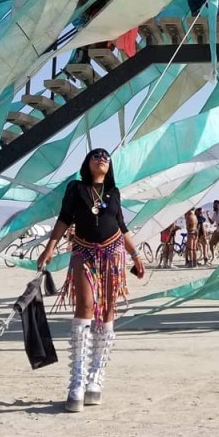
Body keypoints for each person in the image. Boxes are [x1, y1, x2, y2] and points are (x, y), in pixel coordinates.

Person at [37, 148, 145, 413]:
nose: (102, 158)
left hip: (113, 252)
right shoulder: (76, 188)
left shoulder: (114, 193)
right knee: (84, 305)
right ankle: (77, 380)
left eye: (106, 157)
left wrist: (136, 255)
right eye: (96, 155)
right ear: (87, 162)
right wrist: (50, 248)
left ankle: (96, 377)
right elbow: (64, 219)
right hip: (83, 251)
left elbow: (121, 226)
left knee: (107, 310)